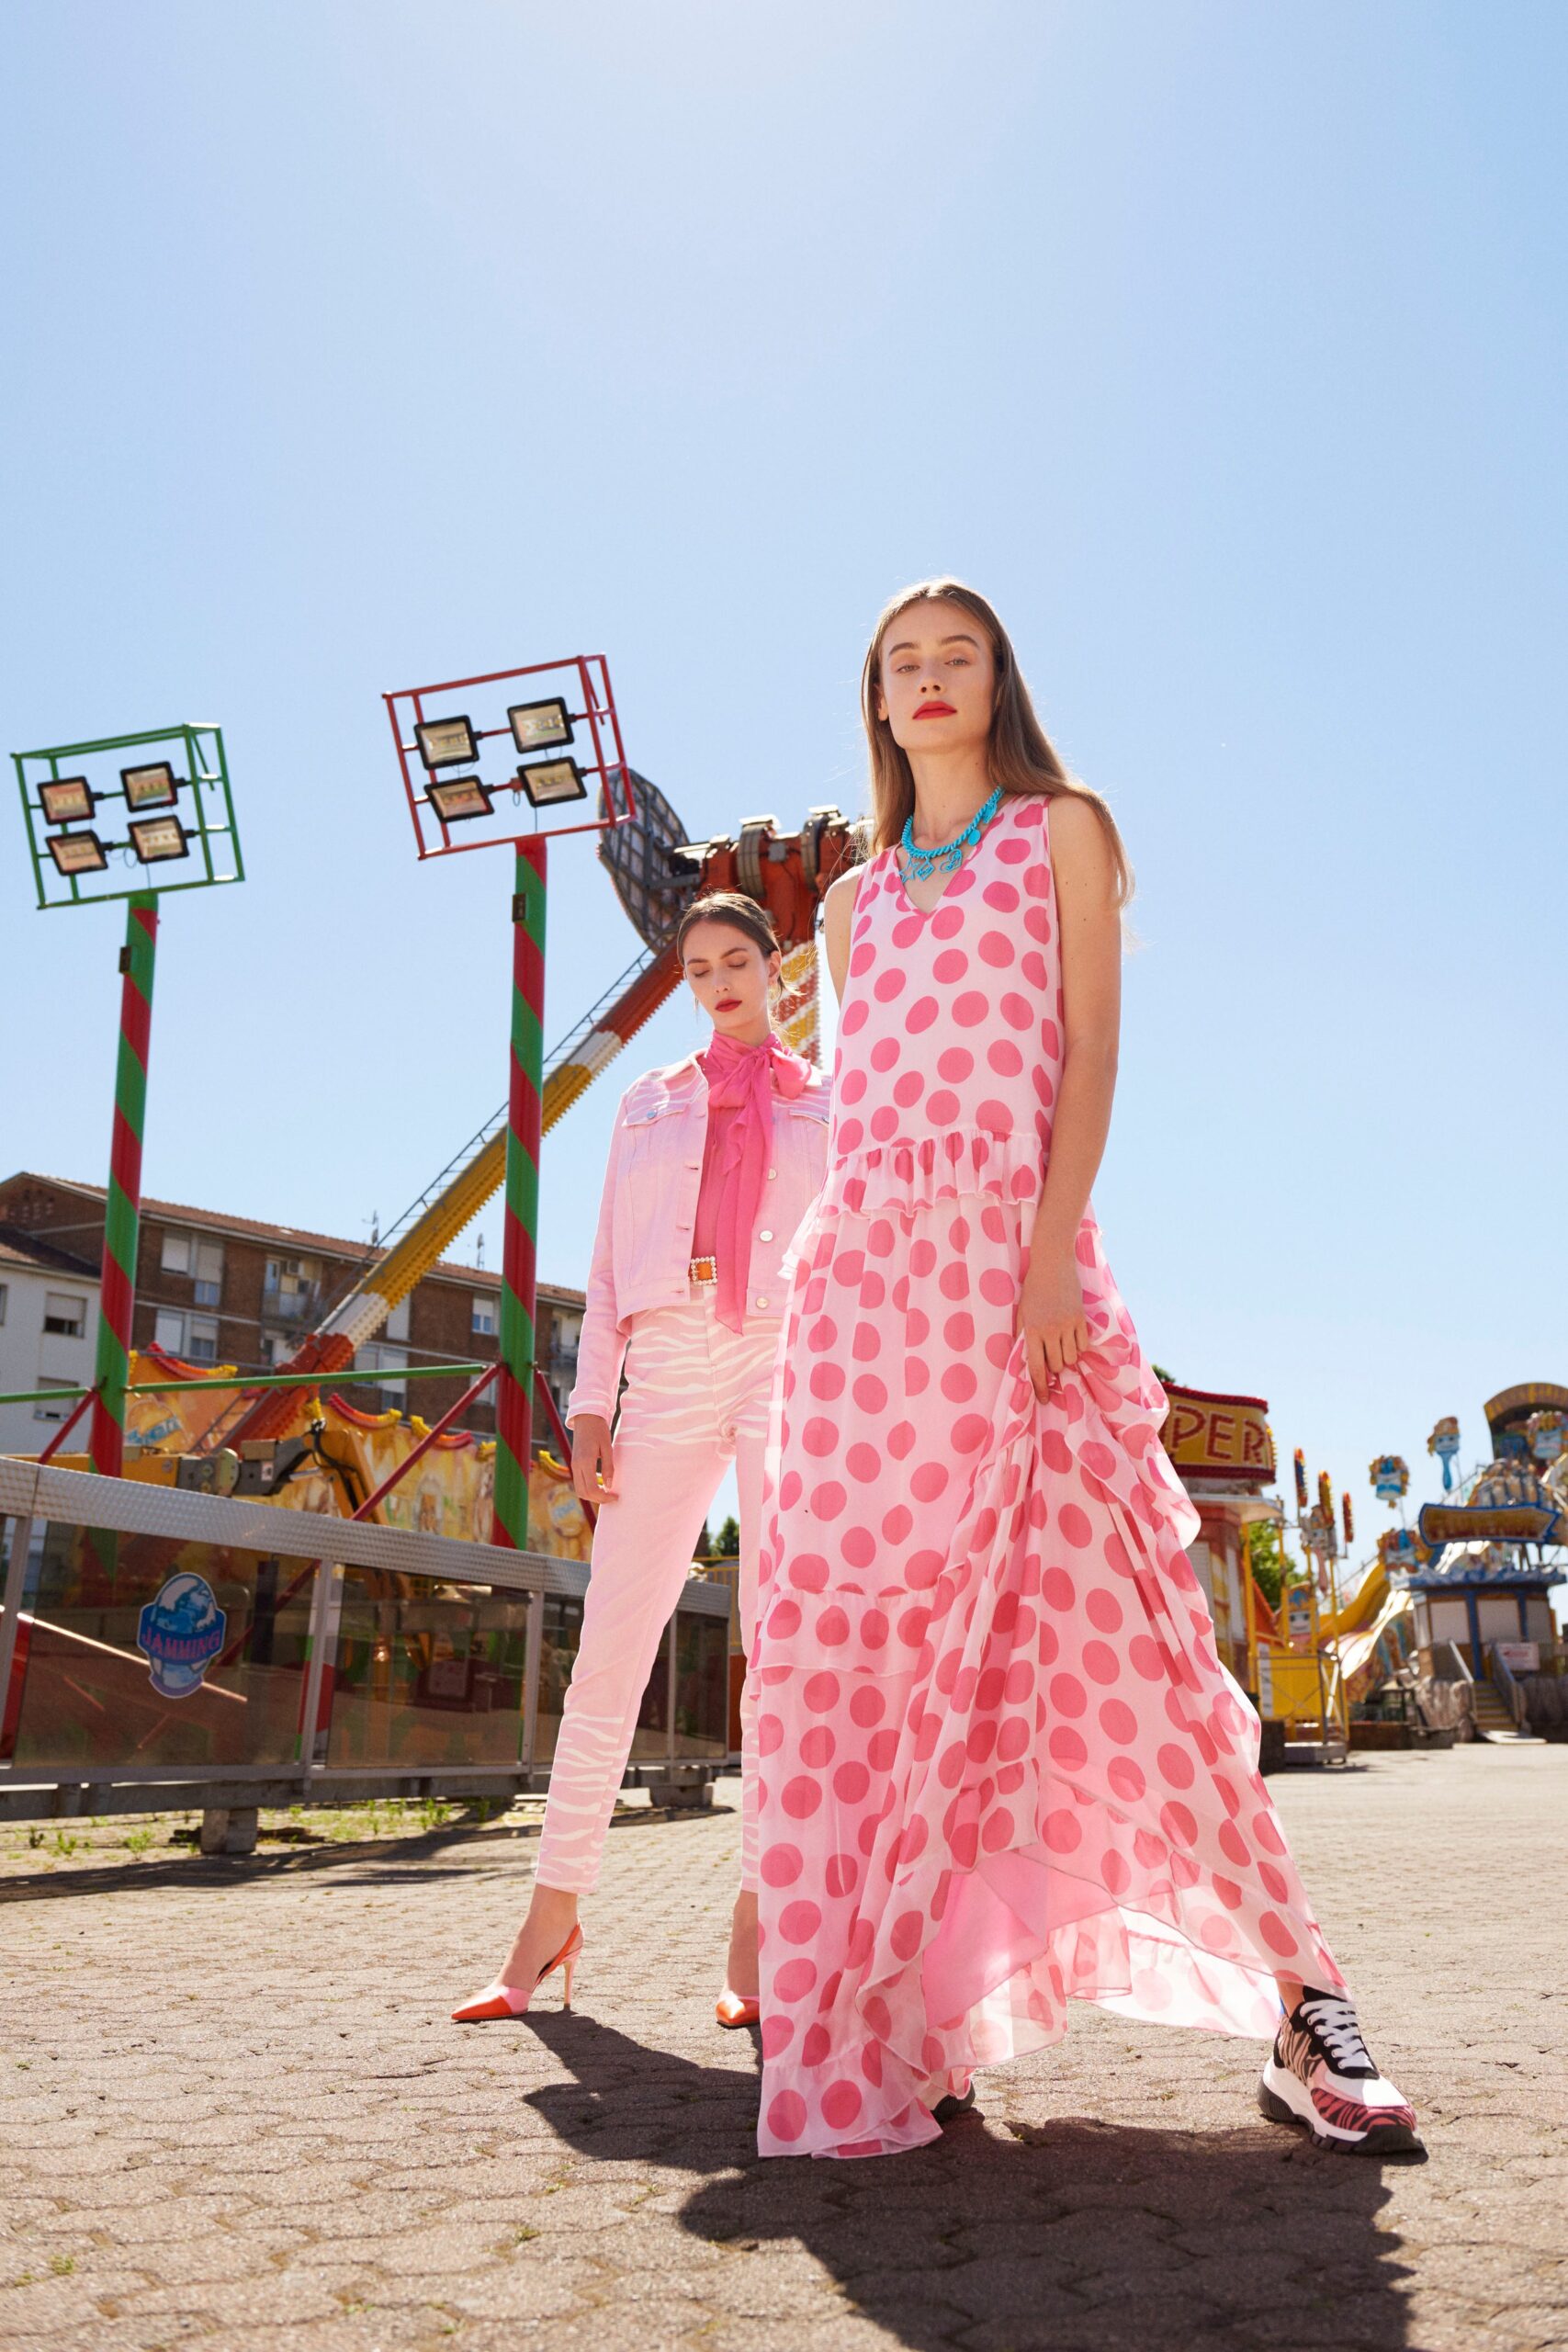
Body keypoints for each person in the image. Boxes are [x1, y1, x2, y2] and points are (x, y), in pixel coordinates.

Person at [750, 580, 1421, 2160]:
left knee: (1137, 1654)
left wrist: (1049, 1251)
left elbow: (1091, 1052)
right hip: (861, 1315)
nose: (927, 680)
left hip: (1016, 1285)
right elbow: (863, 1115)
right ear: (874, 697)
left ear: (996, 684)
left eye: (955, 658)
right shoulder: (848, 909)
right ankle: (900, 2020)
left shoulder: (1059, 830)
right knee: (864, 1664)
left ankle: (1301, 2003)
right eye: (900, 663)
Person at [454, 891, 830, 2026]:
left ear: (776, 968)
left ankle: (758, 1930)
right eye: (698, 967)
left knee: (781, 1654)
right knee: (612, 1646)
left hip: (783, 1363)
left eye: (736, 961)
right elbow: (609, 1271)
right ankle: (548, 1916)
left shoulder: (832, 1101)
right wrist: (588, 1403)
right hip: (665, 1364)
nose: (718, 982)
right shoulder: (645, 1102)